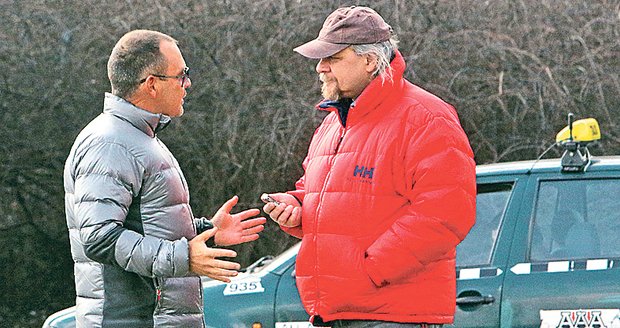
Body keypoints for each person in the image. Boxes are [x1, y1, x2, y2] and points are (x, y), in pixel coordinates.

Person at [262, 6, 476, 327]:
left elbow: (447, 212)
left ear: (370, 61)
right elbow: (321, 194)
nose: (321, 68)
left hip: (394, 315)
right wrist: (295, 207)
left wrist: (372, 269)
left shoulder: (427, 118)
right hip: (334, 312)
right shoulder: (332, 125)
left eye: (333, 58)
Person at [64, 29, 266, 327]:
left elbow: (145, 224)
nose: (188, 83)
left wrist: (207, 231)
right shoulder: (110, 143)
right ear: (152, 85)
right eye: (181, 75)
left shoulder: (136, 138)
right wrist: (184, 255)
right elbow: (99, 237)